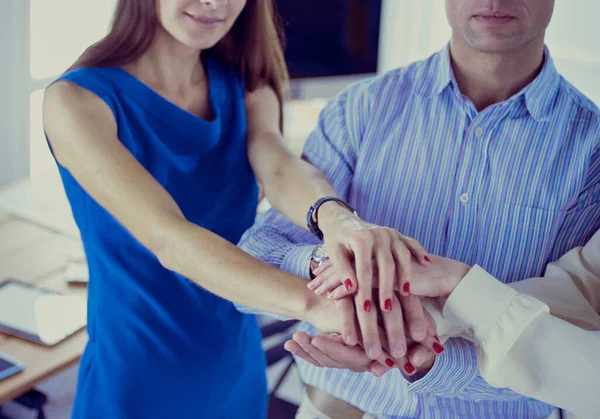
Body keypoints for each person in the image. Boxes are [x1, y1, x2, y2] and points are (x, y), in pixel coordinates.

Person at [42, 0, 432, 417]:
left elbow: (281, 168)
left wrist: (340, 222)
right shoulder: (77, 101)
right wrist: (317, 307)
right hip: (137, 378)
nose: (215, 3)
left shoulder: (247, 88)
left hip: (235, 371)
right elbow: (169, 238)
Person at [238, 0, 600, 417]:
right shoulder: (360, 108)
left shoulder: (591, 153)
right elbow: (257, 253)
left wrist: (418, 355)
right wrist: (334, 265)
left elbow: (572, 336)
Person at [295, 229, 600, 417]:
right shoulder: (356, 121)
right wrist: (327, 261)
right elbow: (581, 291)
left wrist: (457, 284)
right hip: (331, 409)